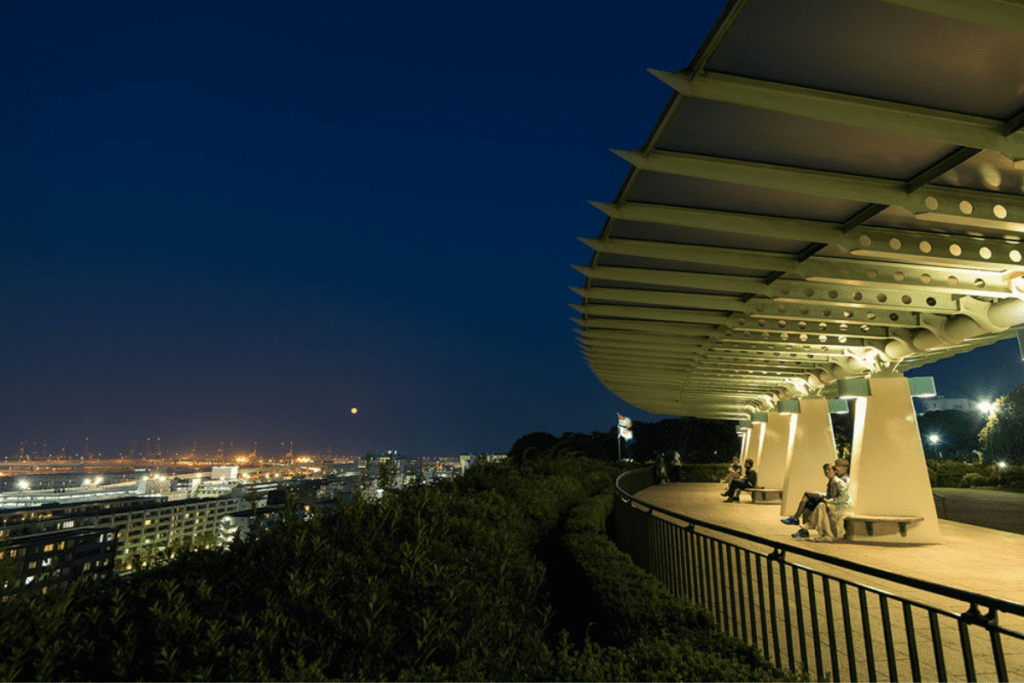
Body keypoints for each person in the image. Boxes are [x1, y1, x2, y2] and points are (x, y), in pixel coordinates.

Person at [794, 458, 852, 540]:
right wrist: (822, 495)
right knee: (810, 504)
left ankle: (804, 522)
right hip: (834, 501)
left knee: (810, 498)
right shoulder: (836, 479)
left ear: (845, 468)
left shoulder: (844, 480)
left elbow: (843, 496)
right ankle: (805, 528)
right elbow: (833, 494)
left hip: (839, 504)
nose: (834, 468)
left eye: (837, 466)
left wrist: (829, 500)